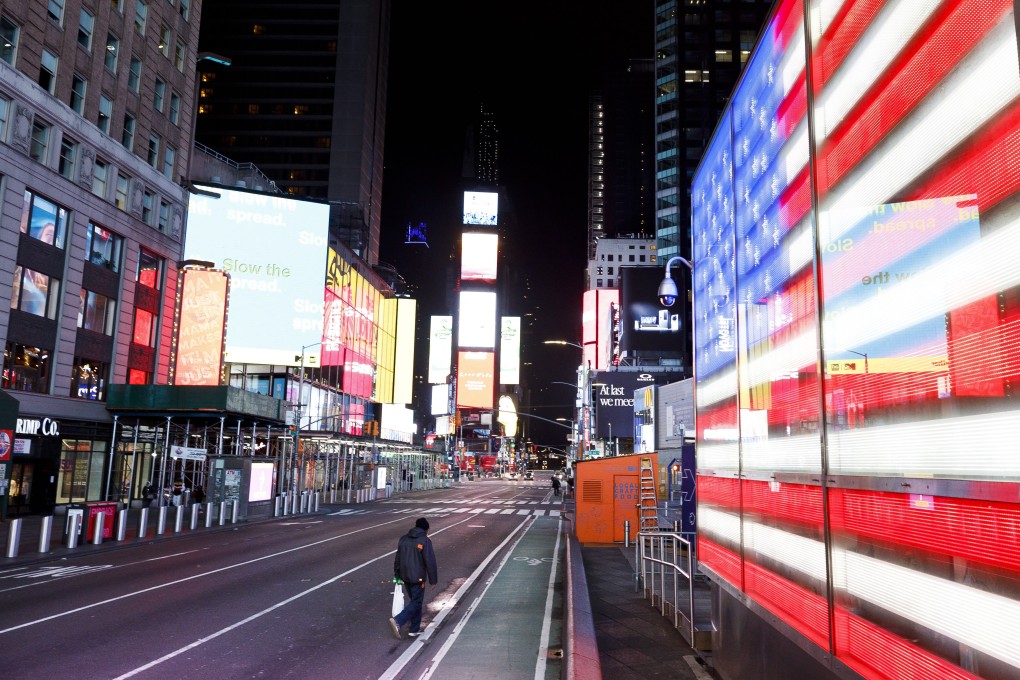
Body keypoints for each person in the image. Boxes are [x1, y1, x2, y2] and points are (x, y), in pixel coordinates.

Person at [389, 517, 438, 639]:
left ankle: (414, 629)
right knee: (416, 602)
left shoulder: (403, 539)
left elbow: (398, 558)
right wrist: (433, 580)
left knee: (416, 601)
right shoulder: (425, 541)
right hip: (418, 578)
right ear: (426, 529)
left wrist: (397, 575)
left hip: (405, 576)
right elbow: (430, 561)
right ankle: (398, 621)